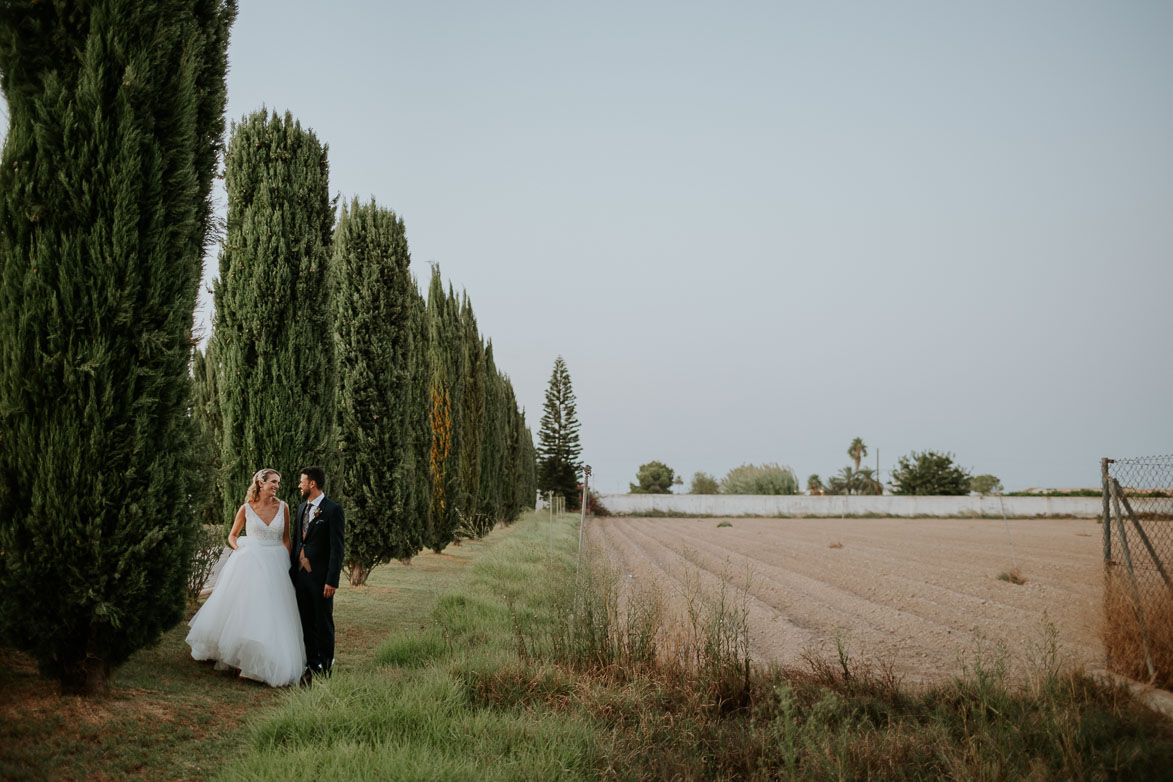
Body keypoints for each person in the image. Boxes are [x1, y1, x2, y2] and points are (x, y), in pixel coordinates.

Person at [185, 469, 306, 687]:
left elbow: (286, 539)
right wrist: (240, 549)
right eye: (273, 482)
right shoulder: (246, 508)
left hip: (276, 562)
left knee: (272, 611)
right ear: (261, 483)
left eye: (278, 482)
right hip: (251, 561)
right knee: (246, 609)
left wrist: (287, 563)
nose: (277, 486)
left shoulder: (283, 507)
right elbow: (232, 536)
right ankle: (239, 657)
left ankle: (263, 658)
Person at [290, 465, 345, 683]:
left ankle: (326, 666)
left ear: (312, 484)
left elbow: (337, 549)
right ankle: (312, 664)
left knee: (323, 622)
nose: (299, 485)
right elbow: (297, 542)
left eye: (302, 481)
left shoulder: (333, 510)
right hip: (301, 578)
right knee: (306, 621)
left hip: (322, 579)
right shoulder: (301, 508)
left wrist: (332, 580)